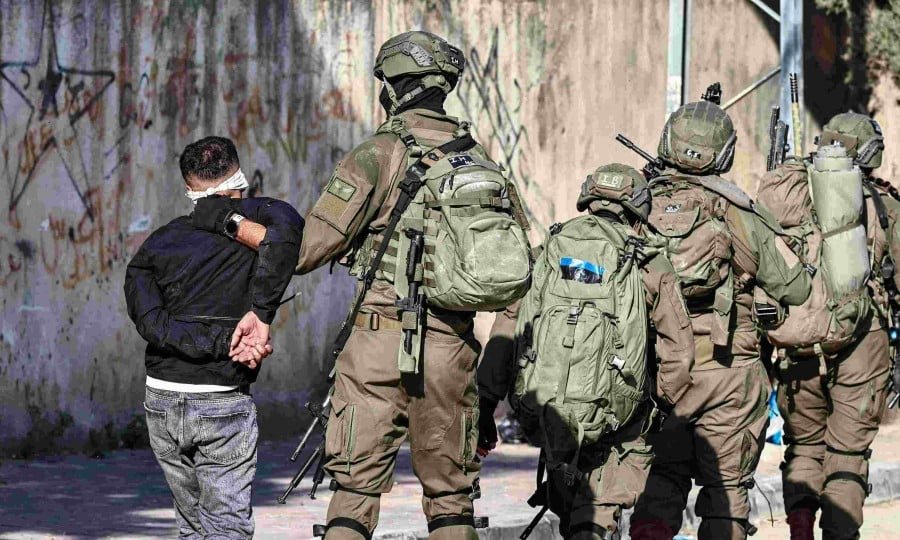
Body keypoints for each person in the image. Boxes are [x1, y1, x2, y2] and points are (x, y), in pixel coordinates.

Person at [193, 32, 532, 539]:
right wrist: (489, 387)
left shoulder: (377, 153)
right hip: (450, 351)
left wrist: (227, 221)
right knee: (452, 499)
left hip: (377, 345)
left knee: (354, 492)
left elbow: (304, 251)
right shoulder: (482, 164)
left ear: (392, 88)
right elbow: (520, 279)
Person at [478, 163, 695, 539]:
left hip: (548, 409)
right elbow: (679, 350)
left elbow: (510, 322)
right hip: (619, 416)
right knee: (595, 513)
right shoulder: (648, 262)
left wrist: (486, 400)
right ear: (637, 208)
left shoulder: (549, 250)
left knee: (572, 507)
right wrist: (663, 408)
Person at [627, 100, 812, 540]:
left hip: (658, 372)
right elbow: (796, 288)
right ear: (725, 153)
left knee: (659, 484)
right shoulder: (738, 212)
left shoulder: (636, 208)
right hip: (730, 372)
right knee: (726, 493)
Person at [124, 136, 303, 538]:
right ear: (240, 178)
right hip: (221, 402)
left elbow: (152, 325)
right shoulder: (262, 233)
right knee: (226, 527)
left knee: (191, 526)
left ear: (188, 187)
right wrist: (242, 332)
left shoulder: (158, 244)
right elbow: (287, 233)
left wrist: (220, 215)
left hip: (161, 401)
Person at [761, 112, 900, 540]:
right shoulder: (884, 205)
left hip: (797, 342)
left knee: (803, 446)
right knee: (846, 454)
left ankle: (800, 530)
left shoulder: (788, 197)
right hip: (863, 344)